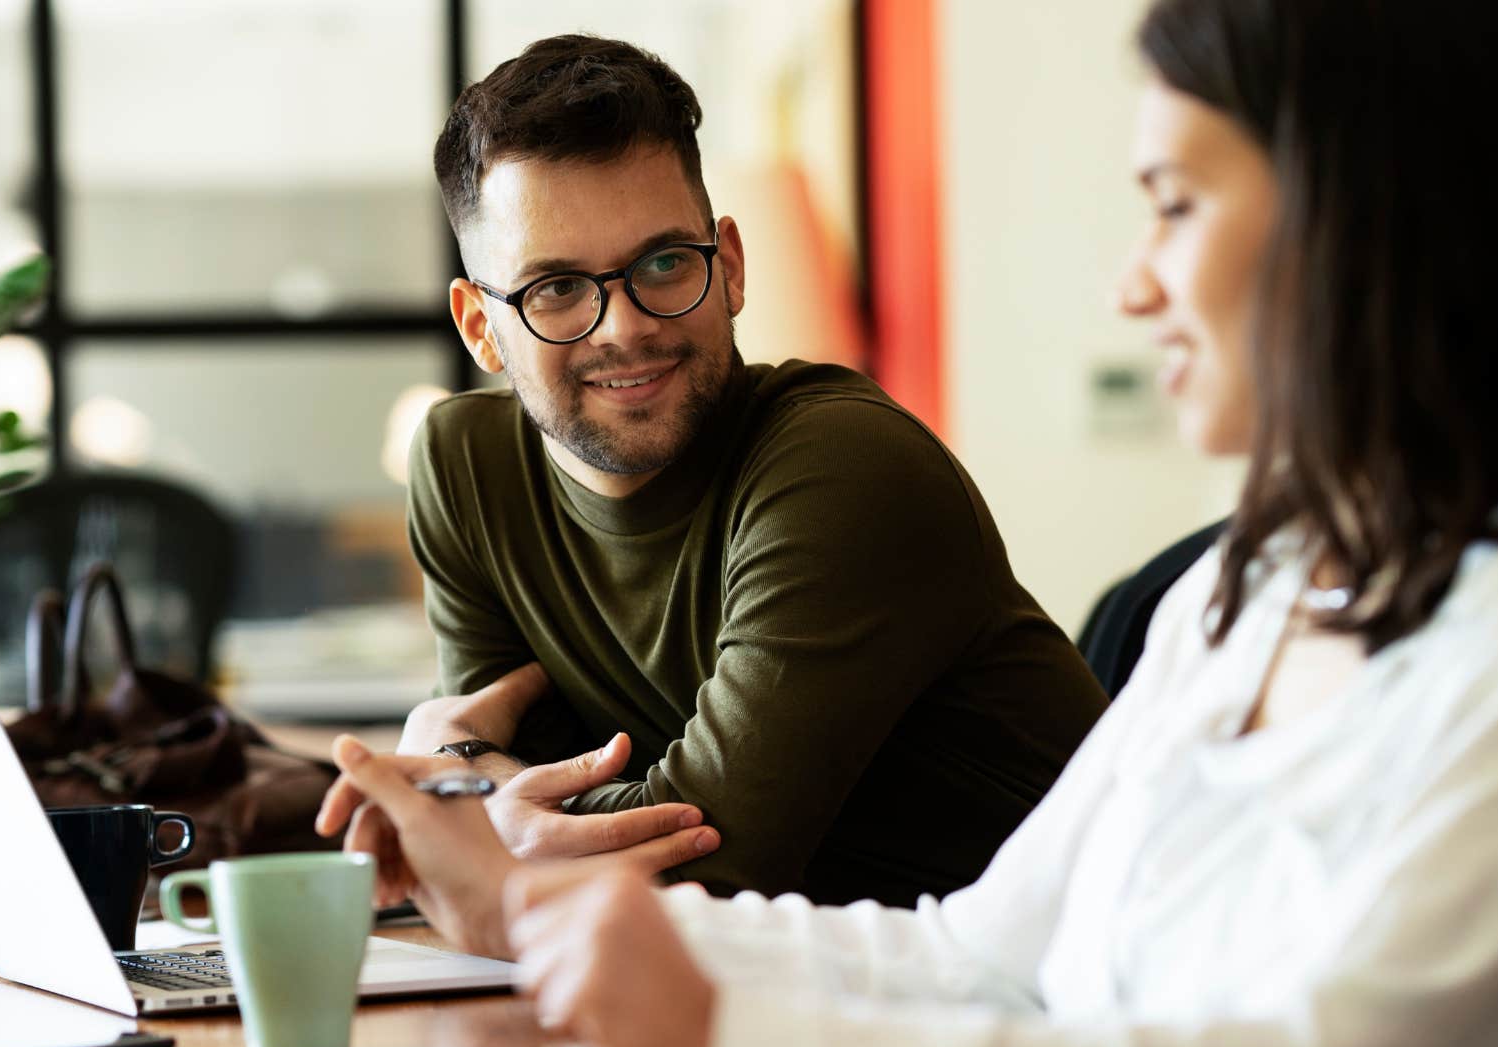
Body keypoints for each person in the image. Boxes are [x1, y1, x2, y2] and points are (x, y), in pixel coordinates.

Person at [323, 0, 1498, 1047]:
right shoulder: (1253, 596)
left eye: (1175, 206)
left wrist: (720, 1024)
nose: (1129, 288)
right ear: (484, 324)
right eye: (554, 287)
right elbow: (977, 951)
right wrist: (538, 902)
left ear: (1364, 222)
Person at [315, 34, 1111, 908]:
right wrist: (487, 789)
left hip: (1033, 989)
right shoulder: (463, 468)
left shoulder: (842, 466)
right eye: (556, 289)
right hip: (765, 985)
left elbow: (712, 858)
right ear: (479, 327)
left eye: (663, 263)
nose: (622, 326)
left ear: (728, 266)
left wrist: (482, 798)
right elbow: (505, 775)